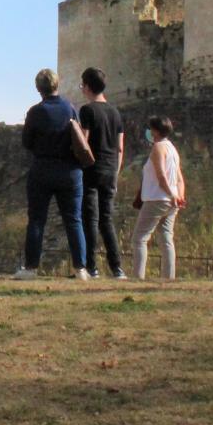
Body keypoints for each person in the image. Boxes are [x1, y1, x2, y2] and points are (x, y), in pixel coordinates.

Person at [14, 68, 91, 281]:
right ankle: (81, 268)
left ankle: (31, 268)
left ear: (39, 89)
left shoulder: (36, 112)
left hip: (43, 169)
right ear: (57, 85)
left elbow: (26, 142)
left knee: (37, 220)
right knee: (74, 220)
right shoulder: (71, 109)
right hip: (70, 171)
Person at [76, 67, 126, 279]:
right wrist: (116, 170)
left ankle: (91, 267)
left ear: (86, 87)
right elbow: (120, 147)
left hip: (91, 170)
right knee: (107, 220)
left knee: (90, 219)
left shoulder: (87, 110)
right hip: (110, 169)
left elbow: (83, 142)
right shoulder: (115, 112)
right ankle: (117, 268)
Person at [130, 116, 185, 280]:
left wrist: (169, 193)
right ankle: (169, 277)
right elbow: (179, 178)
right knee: (166, 237)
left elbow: (161, 176)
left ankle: (138, 277)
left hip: (157, 198)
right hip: (171, 200)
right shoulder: (172, 149)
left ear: (154, 131)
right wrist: (178, 196)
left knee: (139, 238)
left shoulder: (158, 148)